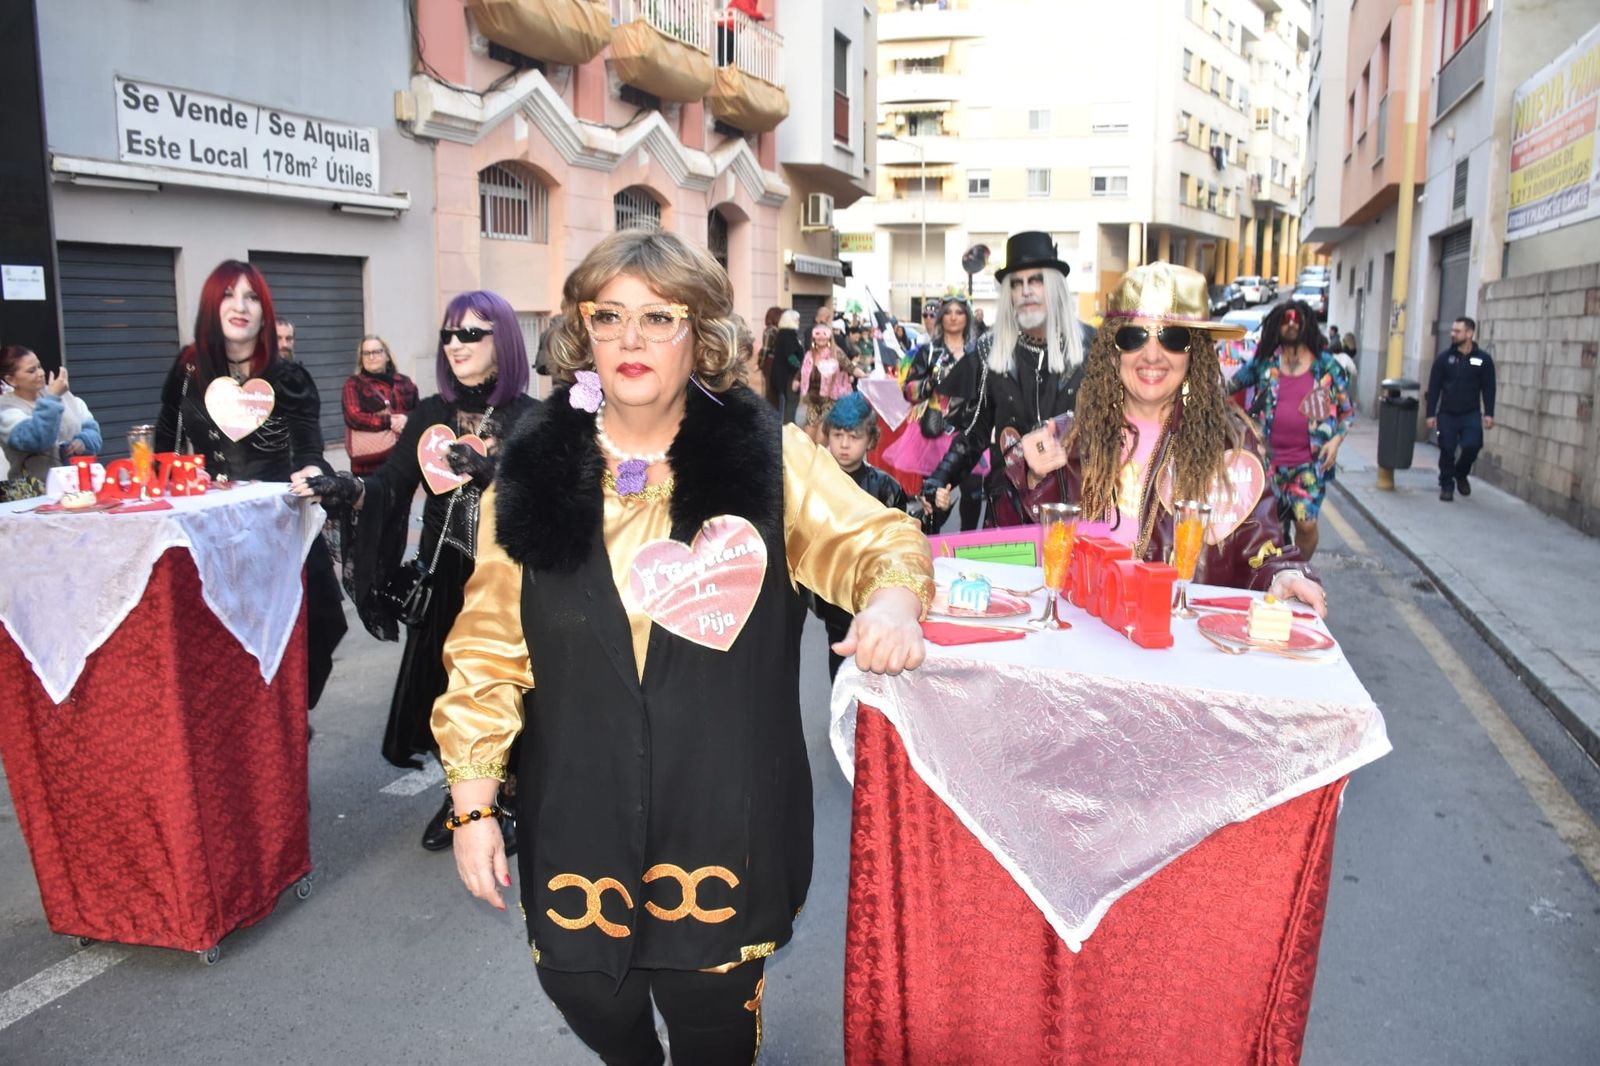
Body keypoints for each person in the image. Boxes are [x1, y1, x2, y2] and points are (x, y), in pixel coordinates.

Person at [430, 229, 930, 1065]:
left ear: (699, 333)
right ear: (581, 331)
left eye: (659, 317)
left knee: (709, 1008)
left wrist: (892, 601)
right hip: (578, 801)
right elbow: (487, 647)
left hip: (723, 803)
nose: (631, 339)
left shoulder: (766, 452)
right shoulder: (534, 464)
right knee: (585, 986)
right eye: (610, 316)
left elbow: (877, 540)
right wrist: (475, 805)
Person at [295, 291, 540, 850]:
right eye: (449, 335)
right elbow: (393, 483)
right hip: (445, 576)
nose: (456, 345)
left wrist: (497, 478)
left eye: (471, 334)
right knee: (445, 692)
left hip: (509, 582)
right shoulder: (431, 414)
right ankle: (464, 796)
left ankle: (513, 793)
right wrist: (350, 488)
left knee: (510, 691)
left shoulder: (532, 418)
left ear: (501, 343)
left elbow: (552, 507)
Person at [1005, 262, 1326, 612]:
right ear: (1114, 352)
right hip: (1081, 645)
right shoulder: (1067, 440)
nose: (1153, 355)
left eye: (1173, 338)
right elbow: (1007, 561)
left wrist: (1282, 576)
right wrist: (1030, 479)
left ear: (1195, 352)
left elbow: (1260, 550)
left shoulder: (1228, 445)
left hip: (1181, 654)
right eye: (1134, 337)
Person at [155, 260, 347, 709]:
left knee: (322, 620)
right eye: (228, 295)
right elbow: (166, 439)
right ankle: (243, 723)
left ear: (264, 311)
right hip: (210, 526)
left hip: (277, 523)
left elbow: (308, 444)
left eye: (251, 297)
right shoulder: (188, 370)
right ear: (211, 306)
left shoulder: (287, 377)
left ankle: (288, 714)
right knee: (216, 635)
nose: (240, 306)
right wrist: (171, 478)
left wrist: (311, 468)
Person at [923, 230, 1093, 526]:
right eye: (1017, 284)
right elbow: (973, 434)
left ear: (1054, 287)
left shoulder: (1094, 348)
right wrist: (941, 477)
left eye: (1037, 280)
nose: (1027, 291)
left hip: (1081, 511)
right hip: (1011, 511)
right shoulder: (989, 353)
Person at [812, 392, 937, 680]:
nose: (844, 444)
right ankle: (840, 710)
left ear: (870, 440)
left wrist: (930, 511)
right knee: (840, 657)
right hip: (834, 594)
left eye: (853, 437)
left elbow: (905, 538)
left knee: (876, 659)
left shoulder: (885, 487)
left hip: (878, 591)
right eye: (838, 435)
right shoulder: (818, 483)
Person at [1227, 302, 1353, 561]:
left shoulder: (1326, 366)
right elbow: (1229, 386)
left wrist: (1336, 441)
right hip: (1267, 463)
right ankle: (1276, 572)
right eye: (1285, 320)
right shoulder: (1265, 363)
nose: (1292, 324)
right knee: (1269, 528)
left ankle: (1298, 567)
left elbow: (1348, 412)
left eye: (1297, 319)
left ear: (1307, 324)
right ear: (1277, 325)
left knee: (1306, 525)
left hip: (1308, 465)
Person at [886, 293, 986, 530]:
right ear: (941, 317)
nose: (953, 317)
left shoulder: (978, 352)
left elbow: (986, 391)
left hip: (969, 432)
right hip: (933, 433)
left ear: (967, 317)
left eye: (959, 312)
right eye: (948, 312)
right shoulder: (927, 352)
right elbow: (909, 391)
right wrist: (931, 382)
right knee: (932, 497)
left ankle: (968, 546)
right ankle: (930, 547)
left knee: (972, 495)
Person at [0, 346, 102, 493]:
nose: (41, 373)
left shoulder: (64, 395)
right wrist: (52, 398)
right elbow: (38, 440)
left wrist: (83, 441)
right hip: (33, 492)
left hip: (77, 485)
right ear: (11, 379)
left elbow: (93, 431)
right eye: (31, 370)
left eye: (40, 366)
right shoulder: (5, 408)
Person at [1426, 316, 1496, 502]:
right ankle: (1446, 485)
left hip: (1470, 413)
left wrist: (1489, 413)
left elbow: (1489, 387)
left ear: (1469, 333)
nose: (1452, 334)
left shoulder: (1482, 360)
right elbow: (1434, 387)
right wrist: (1430, 413)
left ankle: (1461, 473)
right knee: (1447, 449)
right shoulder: (1444, 359)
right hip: (1447, 414)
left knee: (1473, 445)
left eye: (1457, 331)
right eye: (1452, 331)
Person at [341, 335, 420, 475]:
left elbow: (419, 412)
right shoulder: (353, 384)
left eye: (376, 352)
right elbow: (354, 417)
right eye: (366, 353)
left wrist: (406, 419)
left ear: (387, 356)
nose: (371, 357)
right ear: (361, 359)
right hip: (369, 466)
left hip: (404, 462)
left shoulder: (405, 382)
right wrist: (390, 421)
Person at [795, 322, 857, 444]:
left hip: (830, 402)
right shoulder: (809, 355)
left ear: (829, 337)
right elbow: (802, 371)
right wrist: (797, 381)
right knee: (808, 443)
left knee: (820, 443)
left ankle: (822, 462)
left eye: (824, 335)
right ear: (813, 338)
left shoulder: (836, 353)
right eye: (817, 335)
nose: (821, 338)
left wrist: (864, 375)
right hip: (812, 402)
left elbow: (851, 368)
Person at [770, 308, 804, 423]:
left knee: (785, 403)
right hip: (789, 375)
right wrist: (801, 368)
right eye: (797, 319)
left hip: (782, 374)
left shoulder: (782, 333)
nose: (799, 321)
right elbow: (791, 356)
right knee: (791, 402)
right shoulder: (788, 334)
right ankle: (789, 429)